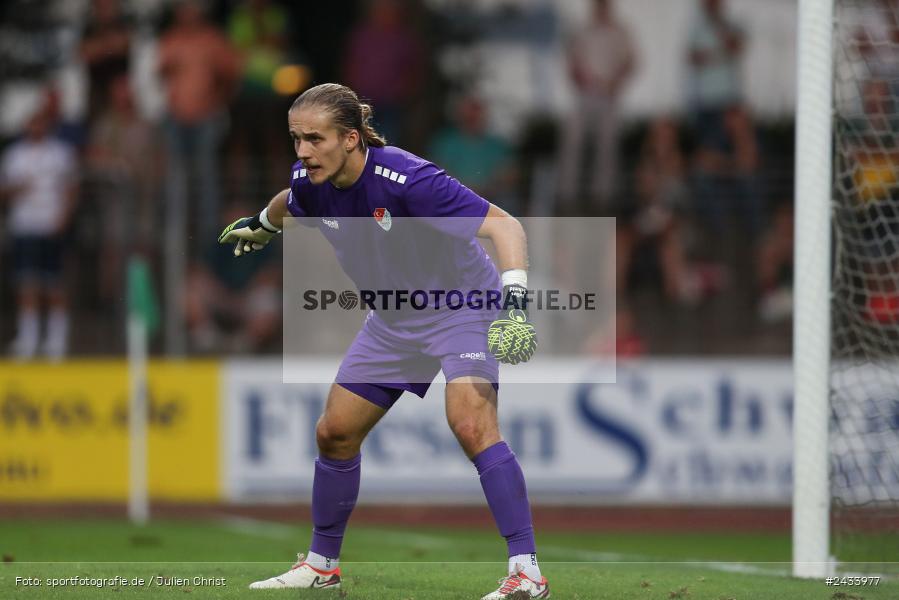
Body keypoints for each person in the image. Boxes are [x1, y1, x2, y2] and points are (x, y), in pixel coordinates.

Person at [219, 83, 547, 599]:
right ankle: (322, 568)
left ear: (351, 139)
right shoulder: (310, 179)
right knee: (335, 433)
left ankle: (526, 573)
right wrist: (263, 226)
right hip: (394, 322)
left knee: (470, 423)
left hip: (462, 307)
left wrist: (515, 303)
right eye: (296, 139)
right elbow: (291, 200)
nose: (303, 152)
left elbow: (504, 227)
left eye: (314, 139)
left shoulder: (409, 179)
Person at [0, 94, 79, 360]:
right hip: (25, 225)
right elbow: (4, 190)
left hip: (50, 224)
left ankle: (56, 340)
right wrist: (16, 188)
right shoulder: (14, 155)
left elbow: (71, 189)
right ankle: (28, 338)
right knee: (27, 283)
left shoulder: (61, 153)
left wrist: (64, 217)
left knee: (54, 284)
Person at [556, 0, 636, 214]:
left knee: (607, 145)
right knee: (573, 138)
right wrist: (580, 79)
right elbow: (572, 62)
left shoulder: (620, 32)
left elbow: (630, 61)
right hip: (585, 95)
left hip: (608, 96)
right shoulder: (582, 31)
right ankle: (567, 195)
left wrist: (615, 82)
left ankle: (603, 196)